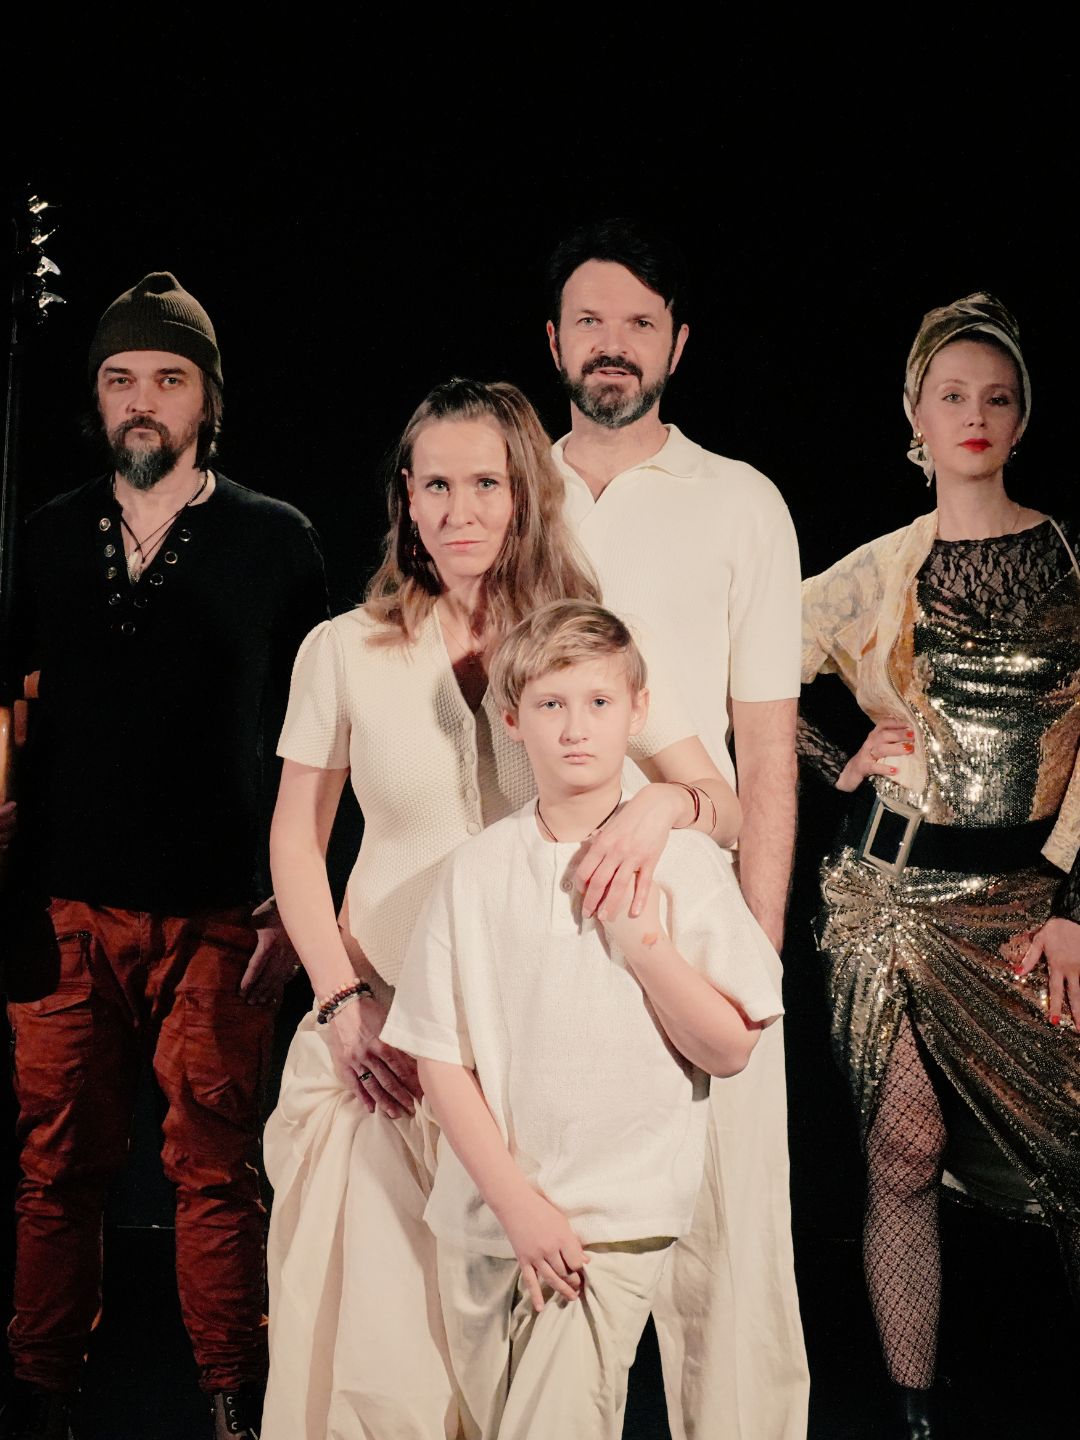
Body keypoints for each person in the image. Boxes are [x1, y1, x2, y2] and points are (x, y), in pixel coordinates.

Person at [262, 378, 742, 1440]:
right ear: (406, 495)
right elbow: (296, 839)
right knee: (382, 1378)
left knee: (522, 1395)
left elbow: (726, 804)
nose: (460, 510)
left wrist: (661, 803)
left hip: (542, 1076)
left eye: (485, 482)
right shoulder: (343, 650)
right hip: (388, 1050)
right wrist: (340, 1001)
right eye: (435, 484)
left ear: (525, 491)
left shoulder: (581, 650)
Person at [1, 272, 328, 1440]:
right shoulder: (43, 537)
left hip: (219, 917)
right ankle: (40, 1395)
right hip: (64, 910)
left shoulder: (275, 541)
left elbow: (318, 742)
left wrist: (294, 903)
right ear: (97, 398)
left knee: (216, 1173)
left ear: (208, 400)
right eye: (121, 378)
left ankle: (233, 1401)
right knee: (55, 1171)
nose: (143, 400)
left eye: (169, 378)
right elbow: (11, 712)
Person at [380, 599, 784, 1440]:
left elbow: (731, 1047)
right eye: (551, 704)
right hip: (487, 1218)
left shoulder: (686, 865)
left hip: (614, 1221)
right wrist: (517, 1207)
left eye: (599, 702)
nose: (575, 727)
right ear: (512, 720)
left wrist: (646, 949)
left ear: (638, 711)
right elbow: (441, 1060)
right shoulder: (477, 872)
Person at [545, 219, 809, 1439]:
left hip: (697, 923)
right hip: (545, 927)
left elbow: (766, 749)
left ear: (679, 344)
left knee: (729, 1279)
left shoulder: (742, 504)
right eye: (590, 320)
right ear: (553, 339)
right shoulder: (509, 490)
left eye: (640, 323)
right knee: (556, 1275)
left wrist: (754, 950)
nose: (614, 344)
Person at [800, 292, 1080, 1435]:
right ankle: (915, 1414)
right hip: (886, 902)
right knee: (904, 1151)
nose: (975, 415)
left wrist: (1076, 905)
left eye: (997, 398)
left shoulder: (1070, 560)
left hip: (1027, 905)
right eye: (952, 395)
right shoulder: (878, 570)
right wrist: (837, 761)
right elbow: (737, 677)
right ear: (915, 414)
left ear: (1022, 419)